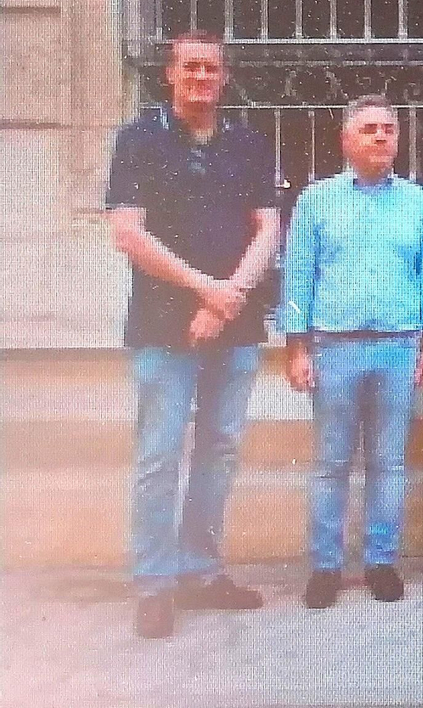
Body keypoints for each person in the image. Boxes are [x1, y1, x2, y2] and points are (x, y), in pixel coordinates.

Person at [105, 33, 280, 639]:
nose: (202, 76)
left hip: (235, 328)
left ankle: (202, 573)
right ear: (170, 76)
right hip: (162, 327)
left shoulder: (249, 144)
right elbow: (128, 234)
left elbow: (267, 229)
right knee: (158, 455)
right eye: (191, 67)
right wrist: (207, 289)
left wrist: (228, 298)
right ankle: (155, 584)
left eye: (212, 67)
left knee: (220, 449)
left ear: (224, 77)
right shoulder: (137, 140)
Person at [281, 95, 423, 609]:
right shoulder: (317, 200)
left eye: (389, 130)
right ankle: (325, 567)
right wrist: (296, 348)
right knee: (331, 463)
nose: (381, 137)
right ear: (346, 141)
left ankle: (381, 561)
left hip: (398, 349)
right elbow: (297, 276)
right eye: (369, 129)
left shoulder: (419, 203)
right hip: (335, 349)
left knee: (388, 463)